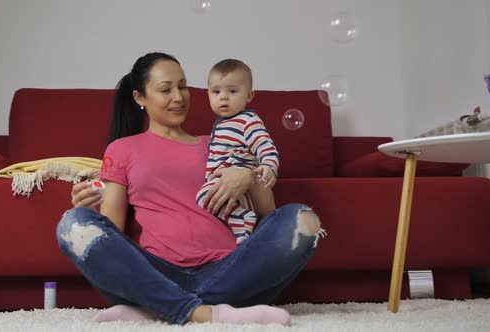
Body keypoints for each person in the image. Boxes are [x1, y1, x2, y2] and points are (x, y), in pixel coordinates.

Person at [57, 52, 326, 326]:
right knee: (73, 223)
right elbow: (113, 231)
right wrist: (90, 210)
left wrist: (249, 177)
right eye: (165, 89)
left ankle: (156, 308)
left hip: (228, 270)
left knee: (302, 219)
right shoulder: (122, 149)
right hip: (154, 272)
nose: (179, 97)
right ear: (140, 98)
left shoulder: (220, 141)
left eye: (183, 86)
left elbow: (268, 214)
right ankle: (205, 312)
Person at [196, 59, 279, 244]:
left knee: (203, 196)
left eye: (232, 91)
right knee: (208, 200)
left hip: (241, 184)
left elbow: (266, 146)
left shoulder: (248, 121)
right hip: (227, 186)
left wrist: (269, 166)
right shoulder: (221, 124)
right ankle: (241, 227)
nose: (223, 97)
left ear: (249, 96)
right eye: (216, 92)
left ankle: (242, 218)